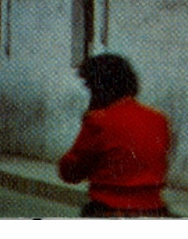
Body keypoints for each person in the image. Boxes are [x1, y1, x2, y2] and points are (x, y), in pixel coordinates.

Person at [57, 54, 172, 218]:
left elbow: (71, 171)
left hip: (109, 209)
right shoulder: (159, 119)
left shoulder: (98, 120)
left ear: (98, 87)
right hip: (155, 209)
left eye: (90, 88)